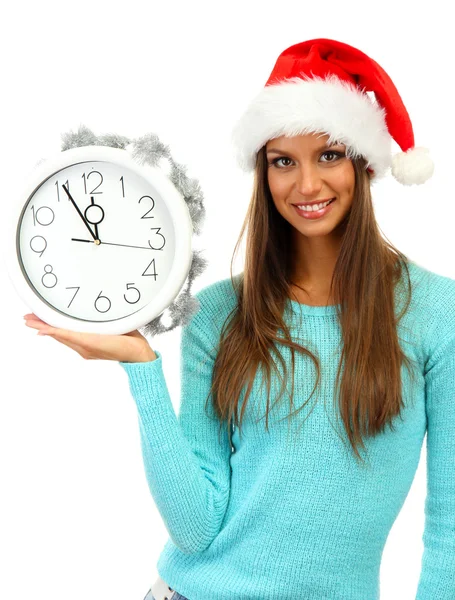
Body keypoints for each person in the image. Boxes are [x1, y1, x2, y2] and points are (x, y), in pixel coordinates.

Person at [23, 38, 455, 600]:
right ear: (264, 172)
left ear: (363, 163)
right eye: (283, 162)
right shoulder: (221, 315)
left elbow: (449, 521)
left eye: (328, 155)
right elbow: (196, 528)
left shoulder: (435, 315)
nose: (306, 185)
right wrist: (142, 369)